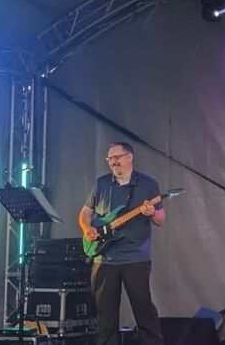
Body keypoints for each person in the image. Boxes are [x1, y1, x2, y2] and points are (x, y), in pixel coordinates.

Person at [80, 142, 165, 345]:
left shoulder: (147, 184)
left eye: (116, 157)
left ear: (129, 157)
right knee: (106, 316)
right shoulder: (101, 183)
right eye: (109, 159)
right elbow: (85, 213)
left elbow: (160, 219)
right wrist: (87, 229)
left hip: (135, 256)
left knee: (144, 311)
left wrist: (152, 212)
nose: (113, 162)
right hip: (104, 257)